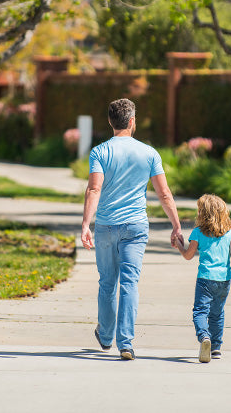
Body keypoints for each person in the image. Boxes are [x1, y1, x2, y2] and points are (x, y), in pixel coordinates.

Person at [81, 98, 183, 361]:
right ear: (132, 121)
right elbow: (164, 193)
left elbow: (94, 189)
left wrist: (85, 224)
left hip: (105, 225)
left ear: (110, 122)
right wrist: (176, 225)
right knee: (129, 283)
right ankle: (125, 343)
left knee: (107, 283)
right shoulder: (150, 153)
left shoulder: (99, 152)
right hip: (136, 227)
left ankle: (105, 337)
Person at [175, 193, 231, 363]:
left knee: (200, 311)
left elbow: (188, 255)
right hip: (224, 279)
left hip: (205, 279)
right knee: (217, 313)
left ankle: (204, 336)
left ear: (203, 214)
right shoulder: (229, 234)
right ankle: (215, 347)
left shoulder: (197, 232)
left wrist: (178, 244)